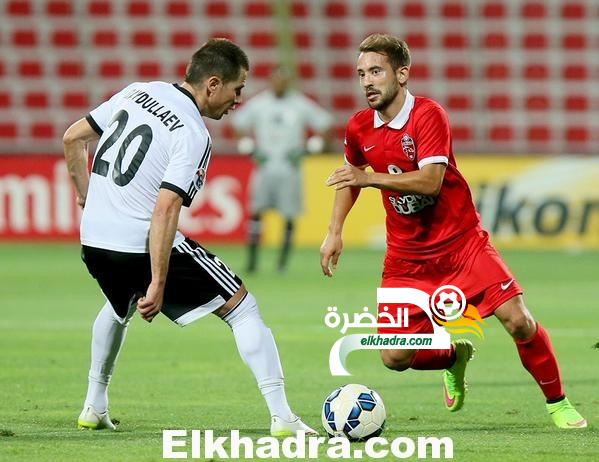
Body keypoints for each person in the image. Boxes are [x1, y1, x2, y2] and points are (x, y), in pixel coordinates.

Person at [320, 33, 586, 429]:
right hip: (407, 259)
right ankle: (453, 355)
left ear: (402, 74)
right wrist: (335, 230)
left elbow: (430, 182)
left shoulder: (429, 115)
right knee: (394, 357)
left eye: (375, 71)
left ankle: (558, 402)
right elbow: (350, 177)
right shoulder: (359, 127)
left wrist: (369, 178)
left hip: (462, 245)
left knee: (518, 320)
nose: (366, 82)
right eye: (361, 74)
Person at [63, 38, 316, 436]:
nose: (239, 100)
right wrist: (159, 282)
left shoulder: (137, 90)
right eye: (237, 89)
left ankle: (94, 406)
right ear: (212, 84)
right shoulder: (193, 132)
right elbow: (166, 209)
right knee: (242, 307)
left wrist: (84, 194)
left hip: (94, 239)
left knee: (118, 305)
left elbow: (73, 138)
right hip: (137, 240)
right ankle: (283, 416)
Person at [232, 65, 333, 273]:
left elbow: (325, 124)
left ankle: (282, 263)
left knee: (289, 215)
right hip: (265, 167)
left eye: (283, 80)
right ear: (271, 81)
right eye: (276, 80)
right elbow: (237, 123)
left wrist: (309, 148)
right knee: (256, 213)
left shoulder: (299, 104)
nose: (279, 84)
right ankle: (252, 261)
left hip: (289, 169)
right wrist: (249, 147)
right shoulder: (260, 103)